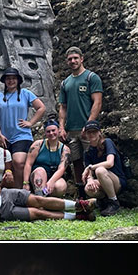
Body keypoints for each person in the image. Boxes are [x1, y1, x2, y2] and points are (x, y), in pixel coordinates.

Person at [0, 160, 96, 225]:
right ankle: (79, 216)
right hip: (2, 212)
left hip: (5, 195)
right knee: (38, 212)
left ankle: (79, 205)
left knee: (39, 200)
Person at [0, 67, 45, 188]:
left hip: (21, 134)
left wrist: (30, 122)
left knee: (19, 162)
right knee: (6, 165)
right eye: (8, 78)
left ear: (18, 80)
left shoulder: (25, 94)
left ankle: (21, 191)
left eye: (13, 78)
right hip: (4, 136)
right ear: (4, 81)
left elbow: (41, 108)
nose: (11, 81)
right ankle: (10, 192)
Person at [58, 46, 103, 187]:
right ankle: (82, 193)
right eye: (70, 59)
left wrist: (89, 124)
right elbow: (63, 107)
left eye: (75, 58)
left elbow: (97, 102)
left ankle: (98, 191)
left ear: (81, 59)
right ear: (67, 62)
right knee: (76, 161)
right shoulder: (65, 83)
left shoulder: (91, 78)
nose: (73, 61)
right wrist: (61, 127)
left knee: (93, 159)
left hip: (88, 129)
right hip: (72, 129)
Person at [81, 120, 125, 216]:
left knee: (100, 170)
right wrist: (90, 180)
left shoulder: (107, 142)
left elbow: (110, 163)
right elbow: (89, 173)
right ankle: (103, 201)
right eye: (89, 132)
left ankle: (114, 202)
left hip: (116, 180)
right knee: (88, 188)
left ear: (99, 132)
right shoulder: (87, 151)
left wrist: (91, 168)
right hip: (102, 181)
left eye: (94, 131)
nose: (92, 134)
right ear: (86, 134)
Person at [23, 119, 71, 198]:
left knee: (61, 186)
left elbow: (61, 168)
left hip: (53, 176)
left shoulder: (65, 149)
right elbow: (28, 164)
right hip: (37, 176)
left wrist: (51, 181)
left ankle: (49, 200)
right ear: (45, 133)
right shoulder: (38, 145)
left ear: (58, 130)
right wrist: (25, 182)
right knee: (40, 171)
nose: (51, 133)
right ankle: (40, 198)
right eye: (48, 131)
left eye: (53, 130)